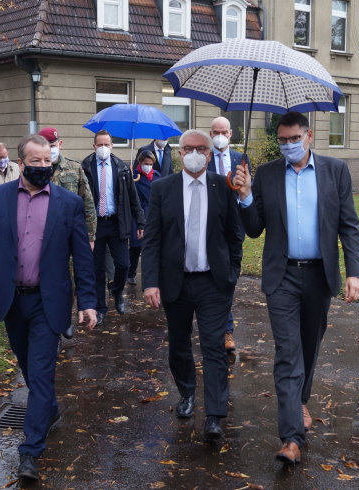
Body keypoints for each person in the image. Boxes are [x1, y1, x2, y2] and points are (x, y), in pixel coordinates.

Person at [0, 134, 97, 483]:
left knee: (41, 371)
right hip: (12, 299)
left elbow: (82, 256)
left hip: (48, 301)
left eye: (47, 161)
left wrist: (89, 302)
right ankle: (48, 408)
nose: (43, 167)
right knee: (30, 369)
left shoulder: (68, 203)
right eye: (36, 161)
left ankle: (30, 450)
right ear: (21, 163)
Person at [231, 111, 359, 465]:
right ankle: (291, 437)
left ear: (310, 136)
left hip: (320, 275)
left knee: (309, 346)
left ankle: (300, 399)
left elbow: (349, 224)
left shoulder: (335, 171)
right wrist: (244, 195)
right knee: (288, 354)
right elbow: (255, 228)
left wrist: (355, 272)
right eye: (283, 140)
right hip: (282, 276)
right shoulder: (269, 174)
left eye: (294, 138)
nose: (288, 145)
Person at [142, 129, 243, 441]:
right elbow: (153, 240)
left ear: (210, 154)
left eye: (202, 148)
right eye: (189, 148)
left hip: (214, 283)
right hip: (177, 282)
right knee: (179, 343)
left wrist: (232, 273)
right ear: (180, 153)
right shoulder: (163, 189)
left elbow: (235, 234)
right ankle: (186, 393)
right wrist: (151, 282)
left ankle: (215, 414)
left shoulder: (224, 187)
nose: (195, 153)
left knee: (214, 346)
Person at [81, 130, 145, 324]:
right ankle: (101, 308)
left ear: (112, 146)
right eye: (99, 145)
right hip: (95, 225)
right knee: (97, 269)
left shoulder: (121, 167)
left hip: (117, 223)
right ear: (94, 146)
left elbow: (133, 198)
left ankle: (117, 291)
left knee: (123, 264)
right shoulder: (85, 166)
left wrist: (140, 221)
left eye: (106, 144)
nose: (103, 148)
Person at [207, 116, 250, 353]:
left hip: (234, 229)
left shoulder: (240, 159)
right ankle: (223, 327)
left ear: (231, 134)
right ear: (211, 134)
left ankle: (226, 328)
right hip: (211, 227)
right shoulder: (204, 157)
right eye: (215, 132)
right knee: (214, 277)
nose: (219, 136)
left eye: (223, 131)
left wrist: (243, 183)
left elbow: (248, 192)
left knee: (229, 277)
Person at [39, 127, 97, 247]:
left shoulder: (74, 168)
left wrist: (90, 236)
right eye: (45, 146)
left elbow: (88, 202)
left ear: (60, 144)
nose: (49, 150)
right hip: (41, 233)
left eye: (52, 145)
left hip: (69, 232)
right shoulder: (35, 169)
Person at [126, 150, 161, 285]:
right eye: (146, 163)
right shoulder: (134, 176)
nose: (148, 166)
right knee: (136, 246)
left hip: (154, 214)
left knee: (153, 246)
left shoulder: (157, 176)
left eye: (150, 164)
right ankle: (131, 273)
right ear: (140, 163)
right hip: (138, 214)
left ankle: (152, 274)